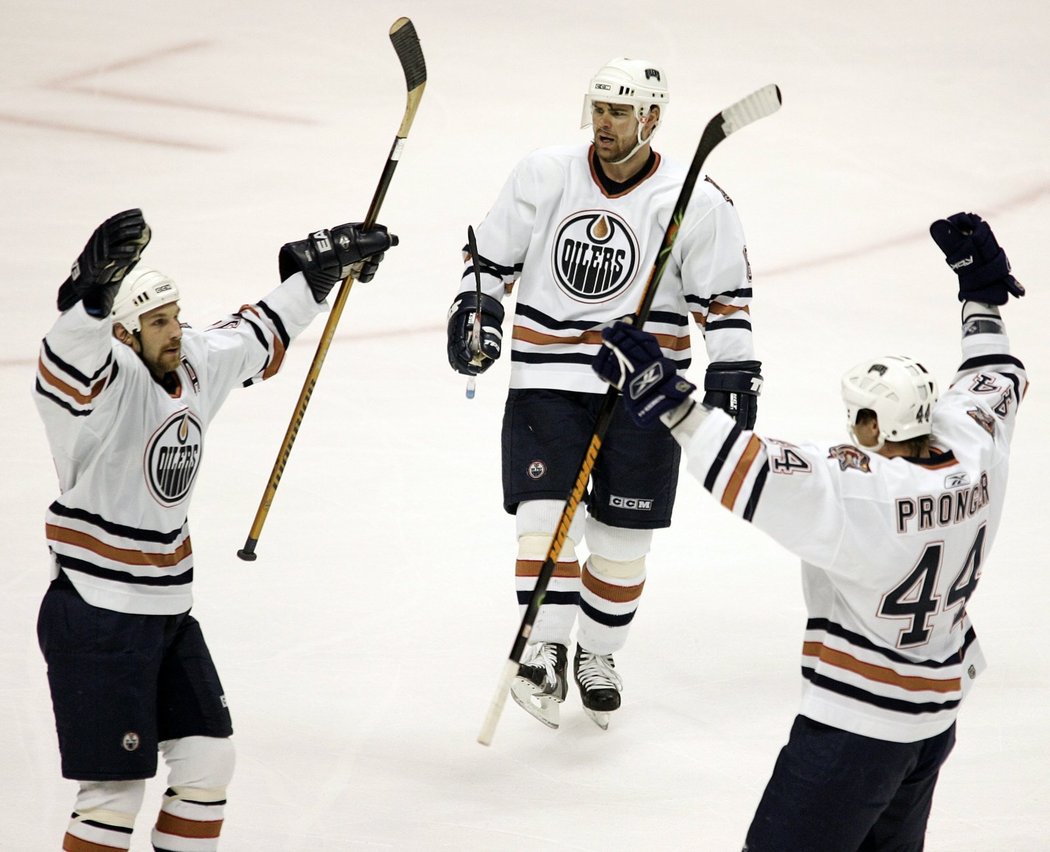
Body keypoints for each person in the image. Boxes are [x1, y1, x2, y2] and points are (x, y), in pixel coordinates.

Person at [592, 211, 1026, 849]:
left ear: (879, 426)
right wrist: (981, 295)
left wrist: (660, 392)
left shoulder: (862, 492)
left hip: (854, 735)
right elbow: (997, 375)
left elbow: (748, 468)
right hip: (932, 727)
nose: (854, 430)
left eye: (861, 419)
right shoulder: (976, 445)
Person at [34, 209, 394, 851]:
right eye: (157, 322)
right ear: (122, 332)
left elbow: (256, 334)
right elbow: (65, 359)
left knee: (207, 765)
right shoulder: (103, 388)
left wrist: (317, 275)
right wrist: (90, 297)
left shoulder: (192, 361)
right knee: (113, 796)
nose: (175, 331)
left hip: (168, 609)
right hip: (97, 614)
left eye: (175, 315)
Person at [446, 57, 762, 730]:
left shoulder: (697, 201)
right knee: (542, 516)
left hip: (645, 385)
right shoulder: (545, 173)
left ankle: (597, 654)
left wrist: (734, 370)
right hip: (548, 376)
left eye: (620, 112)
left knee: (623, 539)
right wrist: (477, 310)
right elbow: (490, 257)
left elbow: (725, 301)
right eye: (599, 108)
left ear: (652, 118)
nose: (605, 123)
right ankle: (547, 650)